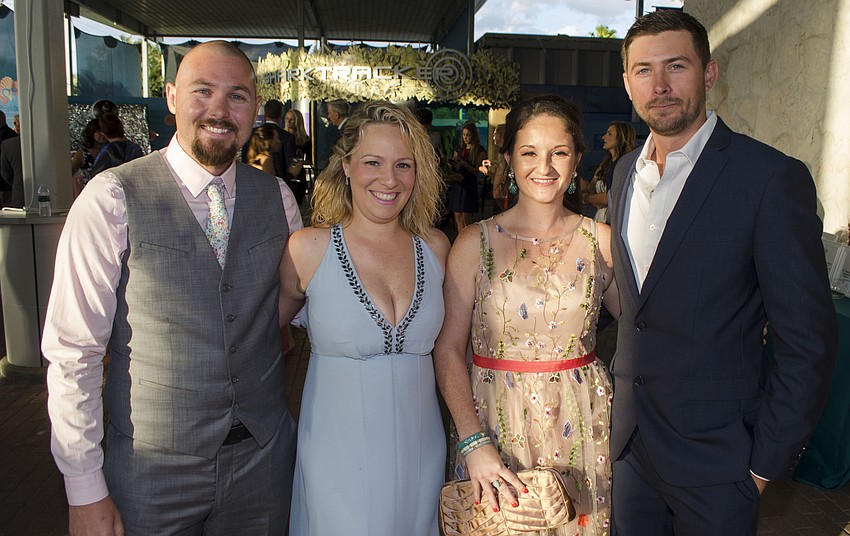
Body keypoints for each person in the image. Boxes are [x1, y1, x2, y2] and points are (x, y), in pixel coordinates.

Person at [42, 40, 299, 536]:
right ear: (172, 97)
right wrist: (84, 488)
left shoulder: (278, 198)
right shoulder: (111, 198)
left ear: (254, 108)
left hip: (262, 467)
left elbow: (306, 307)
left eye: (238, 96)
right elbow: (75, 352)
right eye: (202, 91)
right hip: (150, 473)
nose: (220, 111)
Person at [609, 11, 837, 535]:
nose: (659, 85)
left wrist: (761, 467)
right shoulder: (625, 174)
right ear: (627, 83)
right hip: (631, 452)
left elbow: (808, 340)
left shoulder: (770, 179)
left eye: (676, 66)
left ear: (709, 74)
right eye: (643, 70)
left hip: (719, 463)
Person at [435, 95, 620, 535]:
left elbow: (646, 330)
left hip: (581, 428)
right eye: (530, 152)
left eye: (559, 152)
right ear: (508, 159)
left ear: (577, 159)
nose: (545, 167)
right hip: (492, 426)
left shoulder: (602, 243)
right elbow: (448, 351)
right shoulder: (472, 244)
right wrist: (473, 440)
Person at [279, 101, 450, 535]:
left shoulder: (436, 248)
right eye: (373, 162)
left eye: (403, 165)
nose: (389, 180)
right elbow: (263, 334)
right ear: (346, 165)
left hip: (422, 451)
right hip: (336, 455)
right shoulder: (308, 249)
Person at [582, 121, 635, 223]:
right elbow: (592, 190)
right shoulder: (604, 165)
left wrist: (586, 198)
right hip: (600, 218)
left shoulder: (626, 166)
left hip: (615, 221)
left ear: (621, 137)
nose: (603, 137)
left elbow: (608, 198)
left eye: (610, 134)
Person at [448, 122, 486, 231]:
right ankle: (461, 240)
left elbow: (477, 170)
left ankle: (469, 240)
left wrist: (465, 164)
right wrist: (452, 164)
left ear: (473, 135)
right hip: (458, 182)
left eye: (468, 135)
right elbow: (455, 163)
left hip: (469, 183)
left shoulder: (479, 150)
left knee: (466, 216)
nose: (465, 137)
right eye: (464, 135)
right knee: (457, 215)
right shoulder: (459, 148)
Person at [88, 112, 144, 177]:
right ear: (121, 127)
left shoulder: (108, 151)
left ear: (103, 133)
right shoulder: (135, 148)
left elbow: (97, 177)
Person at [71, 118, 107, 197]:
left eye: (104, 131)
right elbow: (70, 172)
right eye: (99, 131)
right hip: (88, 193)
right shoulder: (82, 154)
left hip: (106, 192)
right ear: (91, 132)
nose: (102, 134)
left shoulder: (110, 151)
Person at [284, 107, 311, 204]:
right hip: (286, 174)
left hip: (299, 175)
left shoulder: (305, 140)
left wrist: (301, 162)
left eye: (292, 119)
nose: (289, 121)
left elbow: (309, 159)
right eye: (287, 119)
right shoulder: (283, 138)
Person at [0, 110, 19, 207]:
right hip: (8, 185)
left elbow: (5, 170)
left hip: (5, 185)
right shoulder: (11, 135)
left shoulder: (5, 137)